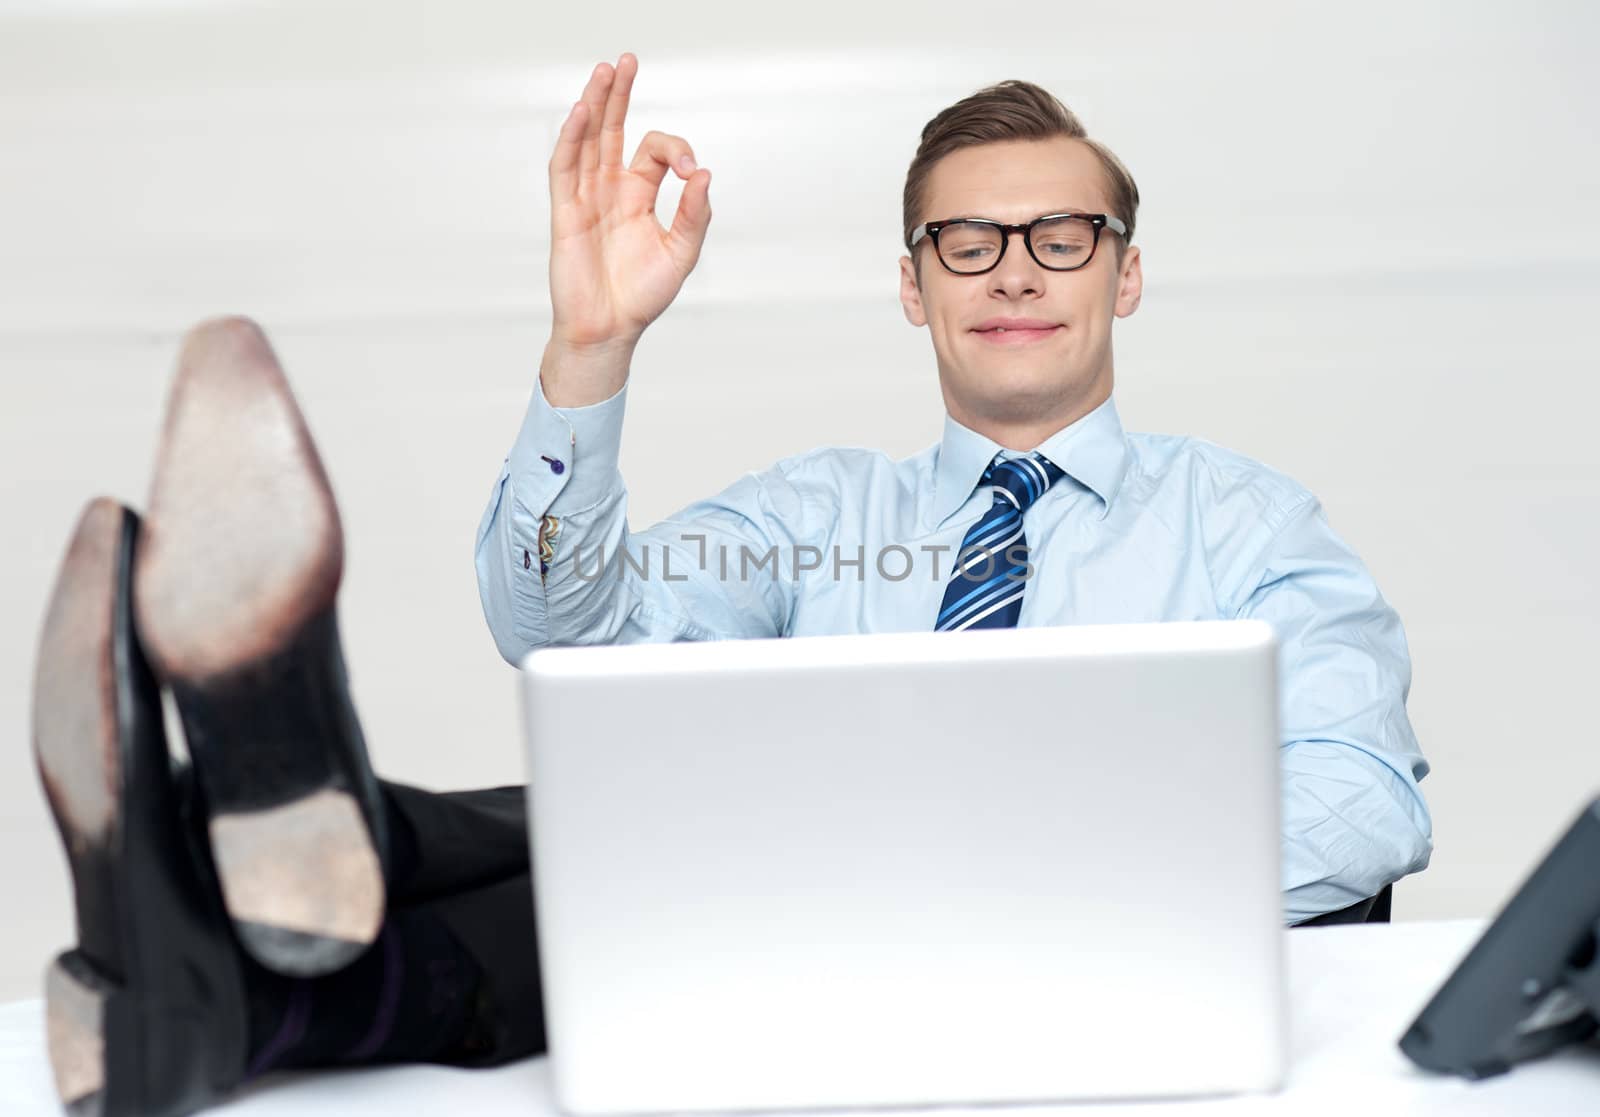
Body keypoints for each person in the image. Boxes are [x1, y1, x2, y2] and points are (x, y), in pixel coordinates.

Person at [29, 54, 1430, 1117]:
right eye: (968, 241)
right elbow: (559, 638)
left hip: (1086, 989)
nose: (1016, 272)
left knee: (723, 845)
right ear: (912, 284)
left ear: (1123, 277)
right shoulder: (810, 515)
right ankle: (222, 1002)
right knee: (637, 821)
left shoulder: (1251, 527)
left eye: (1063, 236)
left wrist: (993, 857)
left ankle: (301, 835)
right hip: (787, 977)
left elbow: (1364, 802)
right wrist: (590, 350)